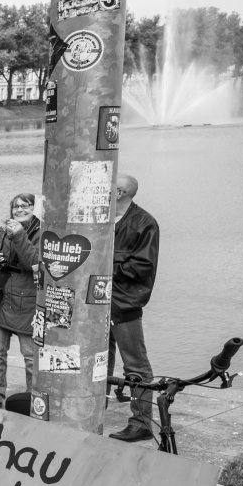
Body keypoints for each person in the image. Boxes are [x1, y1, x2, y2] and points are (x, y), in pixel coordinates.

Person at [107, 174, 161, 442]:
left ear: (119, 192)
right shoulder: (100, 219)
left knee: (136, 365)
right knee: (98, 361)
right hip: (96, 303)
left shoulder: (144, 223)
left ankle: (141, 423)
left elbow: (143, 266)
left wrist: (104, 266)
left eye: (108, 185)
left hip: (124, 303)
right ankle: (94, 409)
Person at [0, 192, 41, 408]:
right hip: (1, 296)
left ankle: (34, 398)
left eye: (25, 205)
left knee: (31, 356)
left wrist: (18, 235)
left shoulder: (43, 232)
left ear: (36, 208)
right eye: (15, 207)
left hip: (27, 300)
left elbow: (34, 263)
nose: (19, 210)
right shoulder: (3, 230)